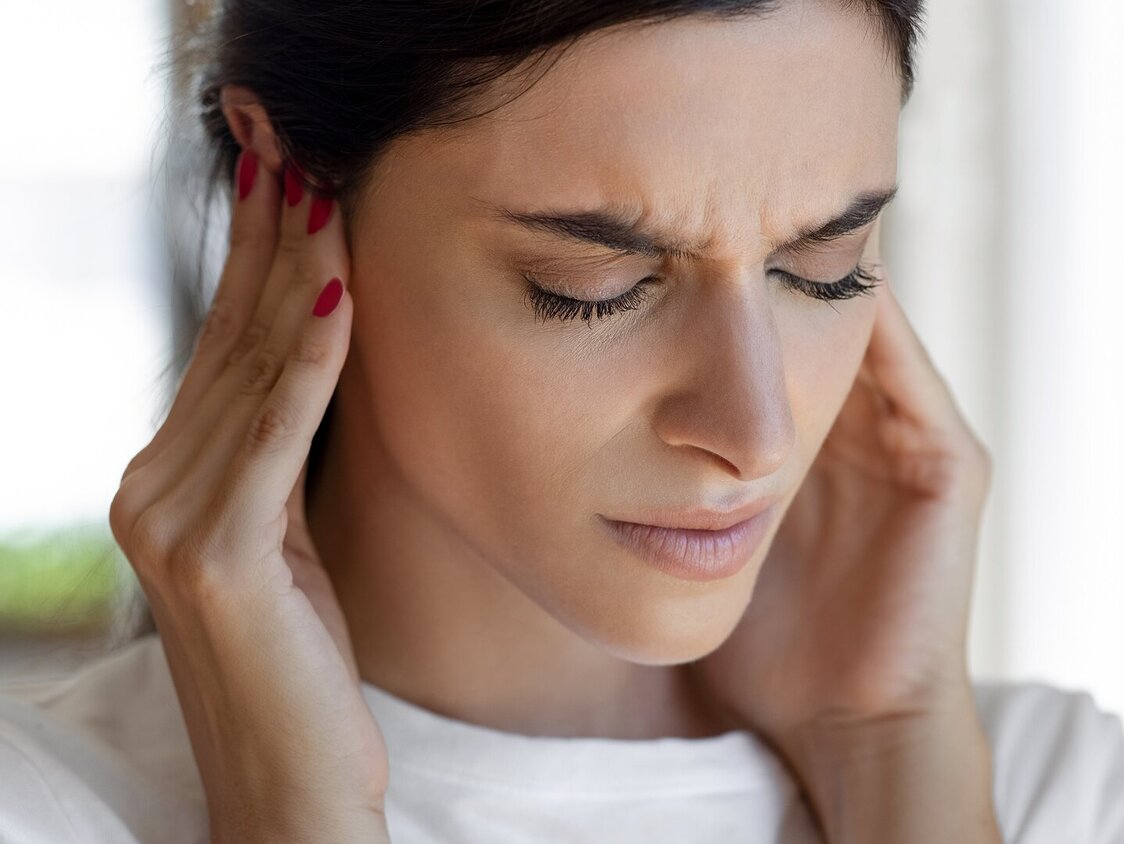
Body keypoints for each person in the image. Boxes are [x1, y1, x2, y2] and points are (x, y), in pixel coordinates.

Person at [2, 0, 1123, 841]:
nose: (757, 432)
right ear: (283, 181)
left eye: (825, 267)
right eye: (593, 285)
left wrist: (893, 762)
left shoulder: (1052, 793)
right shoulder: (46, 807)